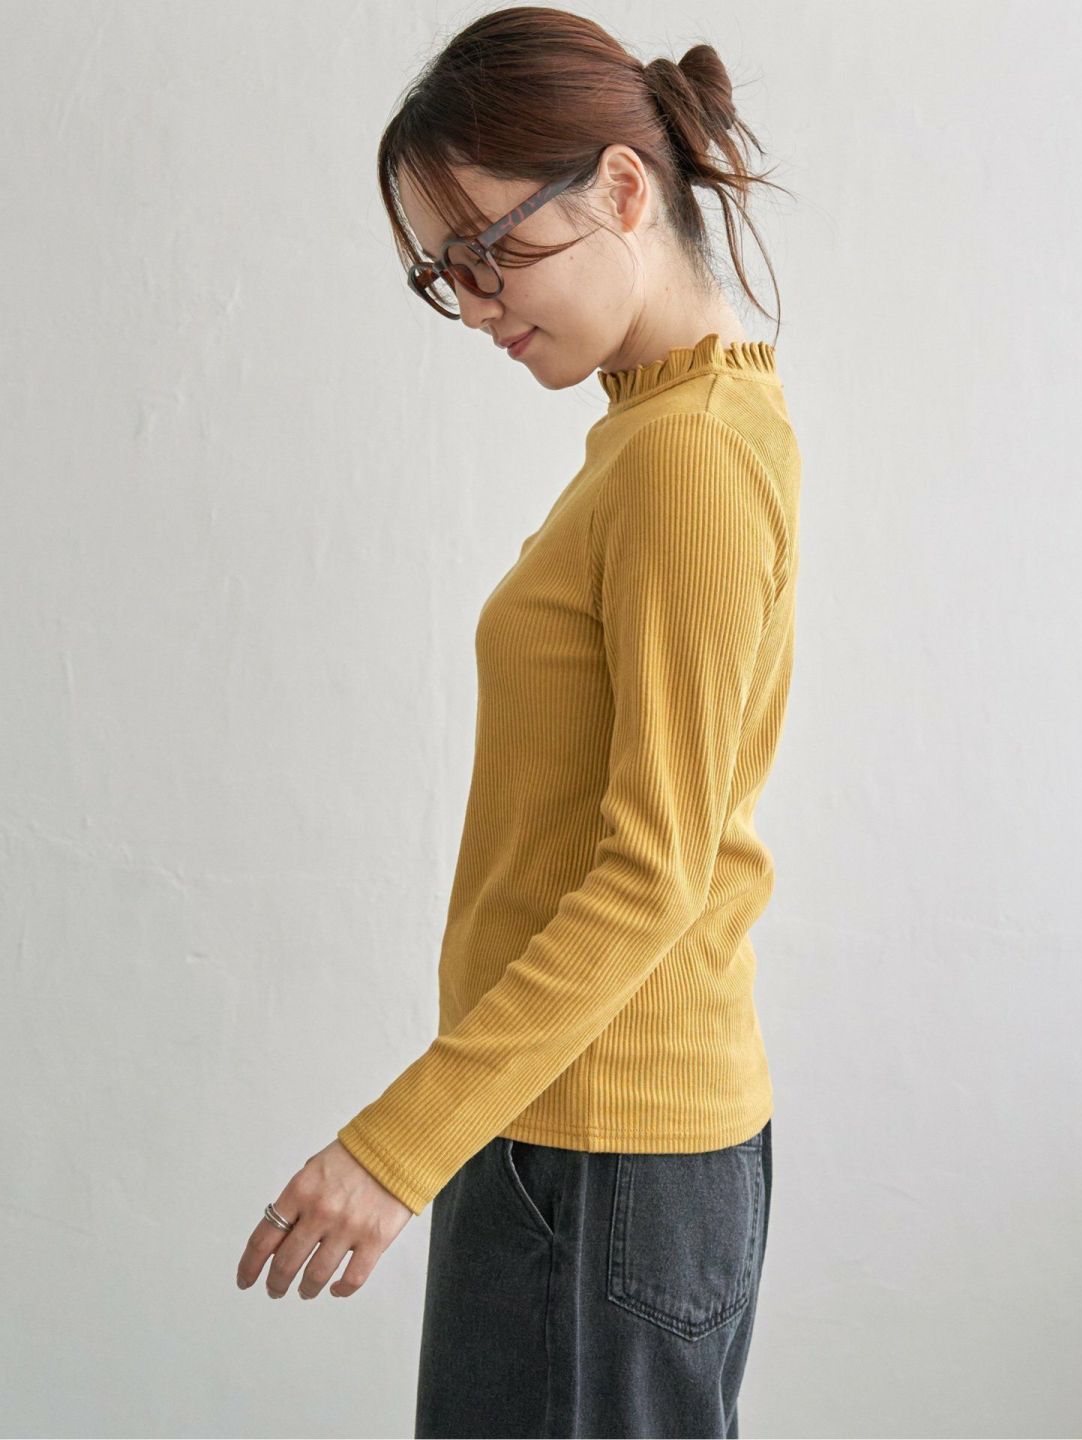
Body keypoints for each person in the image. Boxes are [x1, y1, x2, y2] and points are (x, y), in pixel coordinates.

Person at [236, 9, 803, 1437]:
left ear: (620, 188)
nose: (477, 303)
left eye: (490, 250)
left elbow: (655, 872)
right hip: (564, 1127)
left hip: (601, 1153)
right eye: (446, 272)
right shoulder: (664, 430)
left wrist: (398, 1147)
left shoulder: (689, 454)